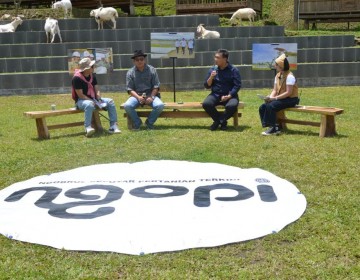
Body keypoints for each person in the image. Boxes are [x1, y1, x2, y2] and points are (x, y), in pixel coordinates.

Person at [71, 57, 121, 137]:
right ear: (86, 68)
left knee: (110, 101)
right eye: (92, 66)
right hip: (81, 101)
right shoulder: (76, 78)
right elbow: (80, 95)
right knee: (89, 104)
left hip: (93, 98)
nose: (94, 67)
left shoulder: (92, 75)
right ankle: (87, 127)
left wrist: (98, 98)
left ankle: (113, 126)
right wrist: (93, 101)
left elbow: (97, 88)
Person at [259, 53, 299, 135]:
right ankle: (272, 126)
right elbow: (274, 89)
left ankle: (274, 128)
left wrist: (274, 99)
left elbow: (288, 93)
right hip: (282, 98)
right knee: (263, 106)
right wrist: (270, 98)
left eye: (276, 64)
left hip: (291, 99)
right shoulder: (278, 75)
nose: (275, 65)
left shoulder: (290, 76)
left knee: (271, 106)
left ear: (281, 66)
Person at [123, 50, 164, 130]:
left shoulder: (152, 70)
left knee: (160, 105)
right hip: (136, 96)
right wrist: (138, 97)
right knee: (127, 106)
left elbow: (156, 86)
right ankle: (138, 123)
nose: (139, 61)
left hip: (150, 95)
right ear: (134, 61)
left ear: (144, 60)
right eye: (137, 60)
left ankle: (149, 123)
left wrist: (151, 97)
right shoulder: (130, 72)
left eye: (141, 59)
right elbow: (130, 89)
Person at [202, 49, 241, 131]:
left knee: (232, 106)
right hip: (215, 94)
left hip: (229, 95)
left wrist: (229, 96)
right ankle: (222, 122)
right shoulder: (213, 69)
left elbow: (237, 85)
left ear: (225, 59)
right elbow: (207, 85)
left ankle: (218, 121)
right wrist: (211, 77)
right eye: (215, 57)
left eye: (218, 58)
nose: (215, 59)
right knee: (206, 104)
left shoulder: (233, 70)